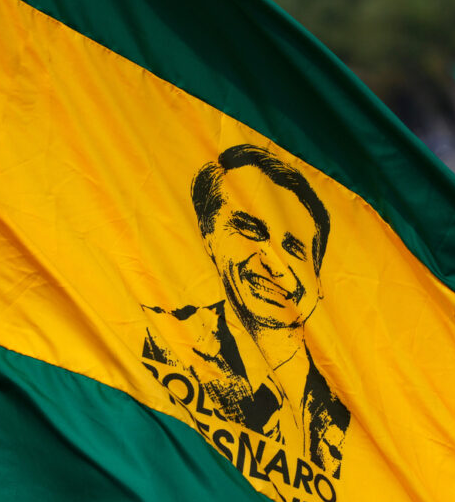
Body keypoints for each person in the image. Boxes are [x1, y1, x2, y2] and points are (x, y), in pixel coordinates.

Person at [142, 144, 350, 477]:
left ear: (318, 283)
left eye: (294, 249)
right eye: (251, 231)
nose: (272, 264)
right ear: (208, 237)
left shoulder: (348, 421)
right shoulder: (160, 344)